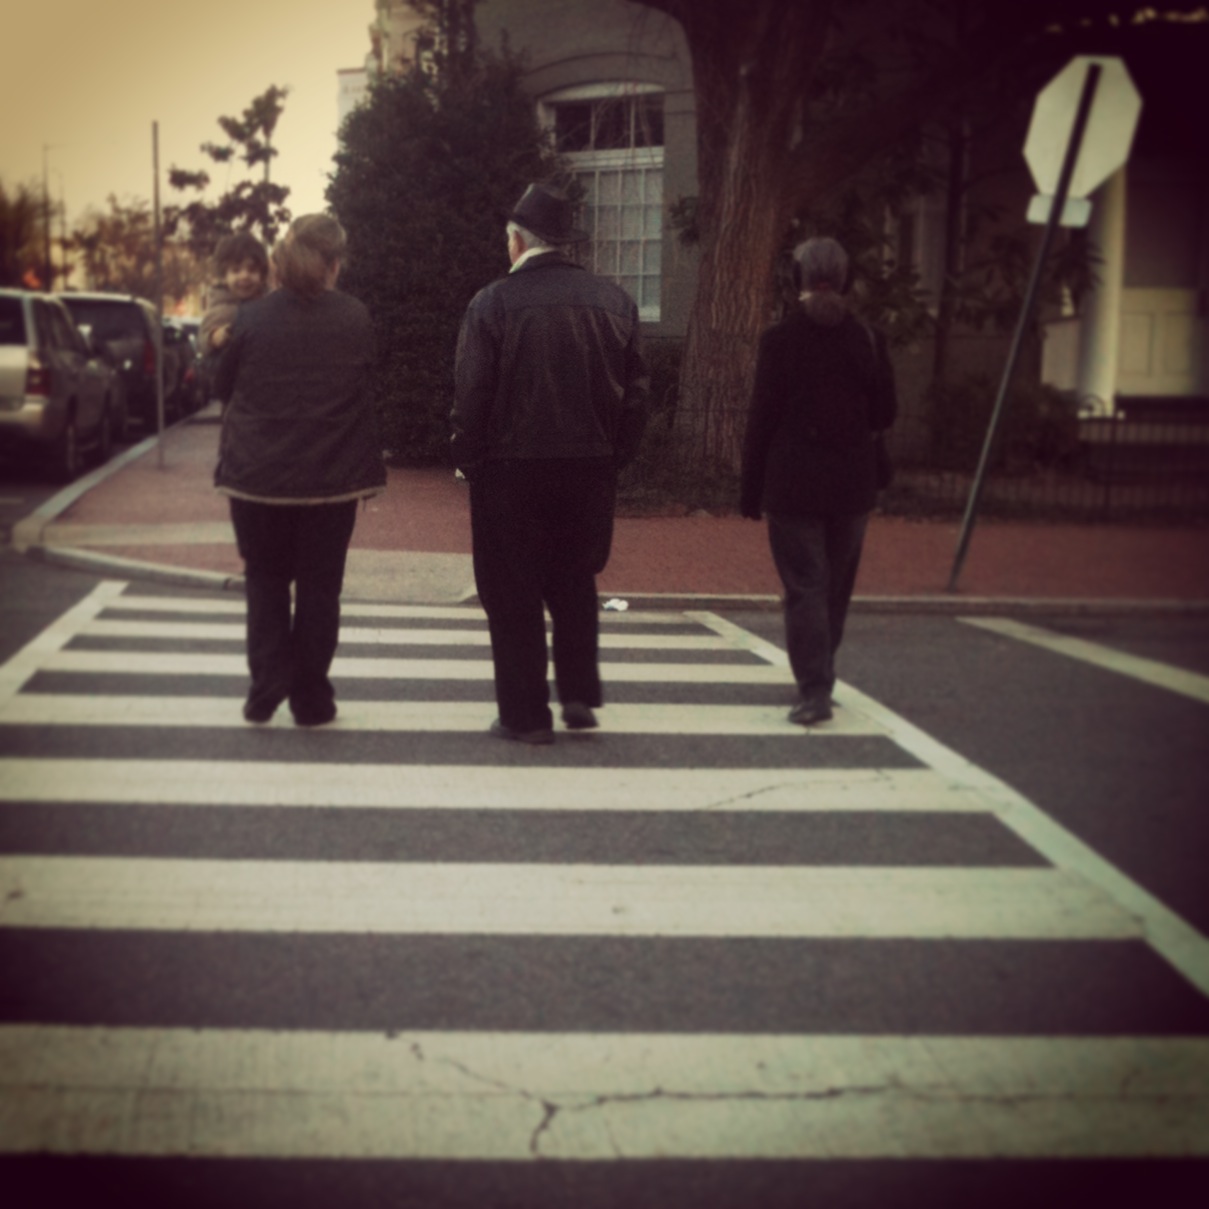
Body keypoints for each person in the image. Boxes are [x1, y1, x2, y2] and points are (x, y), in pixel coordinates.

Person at [451, 182, 649, 745]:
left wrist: (468, 456)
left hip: (510, 468)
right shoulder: (615, 301)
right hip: (589, 464)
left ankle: (525, 714)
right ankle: (580, 693)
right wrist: (618, 456)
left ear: (516, 241)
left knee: (511, 592)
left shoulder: (491, 303)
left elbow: (473, 391)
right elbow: (636, 395)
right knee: (574, 578)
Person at [214, 214, 386, 726]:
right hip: (330, 482)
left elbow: (222, 387)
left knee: (264, 581)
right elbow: (368, 383)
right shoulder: (355, 317)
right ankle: (311, 697)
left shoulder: (251, 318)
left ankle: (267, 683)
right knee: (319, 588)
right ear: (335, 264)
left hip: (257, 478)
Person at [740, 236, 897, 726]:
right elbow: (886, 412)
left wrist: (750, 489)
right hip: (852, 484)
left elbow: (761, 420)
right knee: (835, 587)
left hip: (792, 484)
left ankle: (814, 687)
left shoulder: (779, 341)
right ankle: (822, 672)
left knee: (805, 585)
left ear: (796, 280)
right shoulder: (868, 339)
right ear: (846, 279)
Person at [199, 231, 270, 389]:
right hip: (233, 389)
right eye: (236, 270)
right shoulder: (220, 305)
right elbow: (203, 338)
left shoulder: (267, 305)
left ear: (262, 274)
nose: (244, 276)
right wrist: (214, 337)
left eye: (251, 270)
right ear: (224, 276)